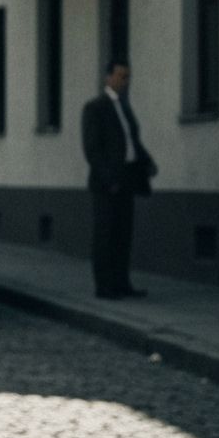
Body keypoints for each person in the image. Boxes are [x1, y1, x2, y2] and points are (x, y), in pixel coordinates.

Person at [81, 60, 157, 299]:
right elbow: (92, 150)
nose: (125, 82)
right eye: (121, 76)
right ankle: (104, 287)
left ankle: (122, 283)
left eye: (127, 77)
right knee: (105, 235)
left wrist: (147, 161)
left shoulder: (125, 108)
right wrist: (108, 179)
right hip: (106, 183)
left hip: (127, 178)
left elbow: (132, 142)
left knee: (124, 234)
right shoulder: (95, 107)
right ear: (108, 77)